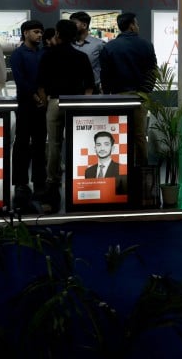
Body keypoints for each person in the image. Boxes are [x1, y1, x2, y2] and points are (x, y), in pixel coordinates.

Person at [36, 19, 95, 213]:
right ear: (75, 36)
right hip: (76, 103)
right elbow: (89, 86)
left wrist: (46, 103)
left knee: (53, 145)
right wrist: (84, 103)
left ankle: (53, 185)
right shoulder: (81, 57)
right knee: (77, 145)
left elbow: (41, 85)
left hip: (54, 102)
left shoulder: (47, 55)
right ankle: (78, 181)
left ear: (57, 35)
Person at [99, 12, 157, 166]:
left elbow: (105, 75)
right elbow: (153, 71)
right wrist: (145, 91)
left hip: (118, 97)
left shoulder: (109, 47)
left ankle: (124, 172)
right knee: (139, 135)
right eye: (136, 23)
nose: (137, 26)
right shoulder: (146, 45)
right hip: (139, 96)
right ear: (131, 25)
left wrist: (108, 94)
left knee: (120, 134)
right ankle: (142, 175)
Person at [9, 19, 46, 210]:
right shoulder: (18, 54)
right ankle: (21, 183)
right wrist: (34, 96)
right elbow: (19, 79)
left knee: (40, 144)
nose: (39, 35)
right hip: (25, 104)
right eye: (35, 32)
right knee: (22, 143)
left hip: (42, 105)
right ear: (25, 33)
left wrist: (43, 96)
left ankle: (40, 182)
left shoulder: (44, 52)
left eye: (40, 32)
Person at [69, 11, 103, 94]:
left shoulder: (98, 44)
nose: (71, 27)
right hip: (72, 89)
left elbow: (105, 67)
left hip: (93, 89)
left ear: (84, 25)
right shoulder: (69, 44)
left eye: (74, 24)